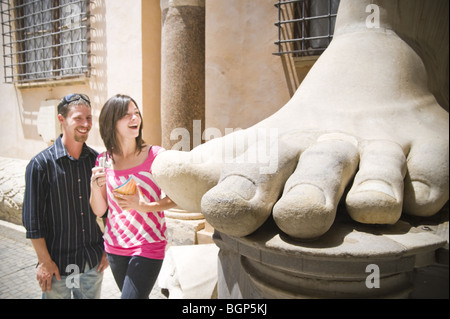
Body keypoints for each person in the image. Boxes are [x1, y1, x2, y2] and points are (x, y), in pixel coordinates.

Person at [22, 93, 108, 299]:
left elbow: (107, 210)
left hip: (91, 264)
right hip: (57, 267)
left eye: (88, 118)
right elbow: (33, 222)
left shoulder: (97, 161)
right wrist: (44, 262)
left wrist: (107, 249)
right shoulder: (40, 165)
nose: (85, 124)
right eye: (78, 118)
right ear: (61, 119)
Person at [90, 94, 176, 299]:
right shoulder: (103, 160)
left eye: (136, 113)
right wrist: (94, 187)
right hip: (114, 246)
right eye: (126, 115)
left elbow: (176, 198)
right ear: (111, 122)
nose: (135, 118)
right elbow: (100, 210)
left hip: (149, 243)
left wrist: (144, 206)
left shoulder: (156, 155)